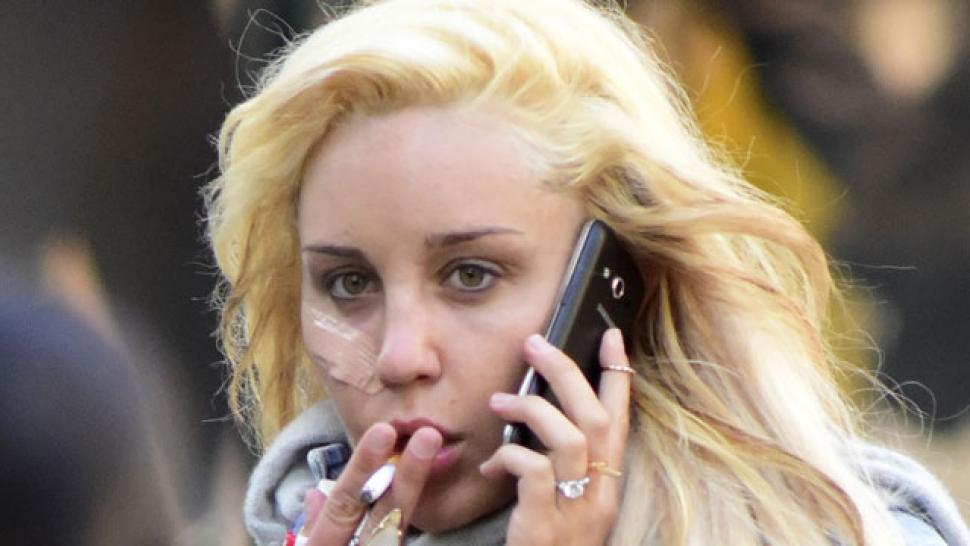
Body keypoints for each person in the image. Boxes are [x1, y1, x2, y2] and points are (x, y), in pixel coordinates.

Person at [204, 0, 970, 544]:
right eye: (349, 284)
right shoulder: (295, 520)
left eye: (471, 275)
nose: (399, 357)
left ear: (618, 283)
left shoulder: (854, 532)